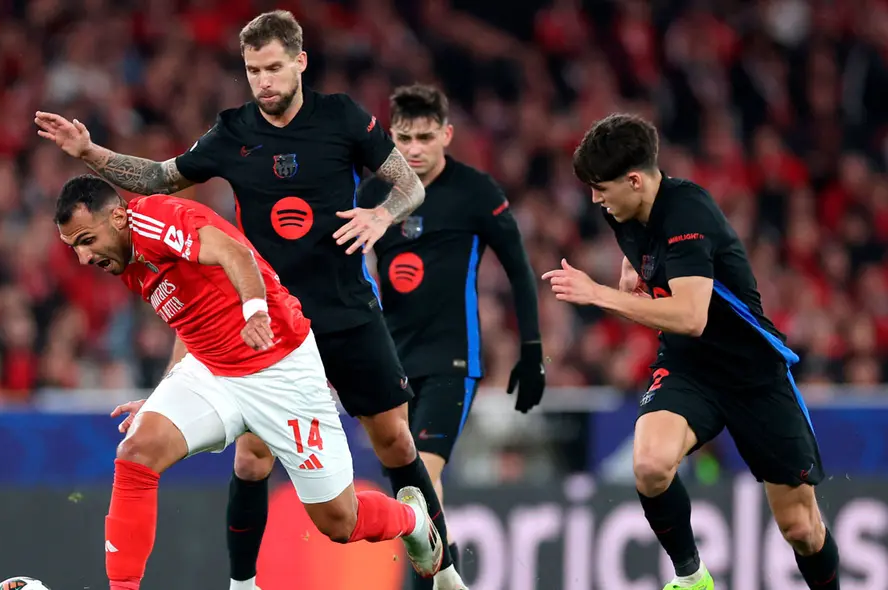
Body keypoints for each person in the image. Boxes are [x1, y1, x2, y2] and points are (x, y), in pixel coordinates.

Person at [35, 10, 466, 590]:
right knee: (170, 454)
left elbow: (407, 182)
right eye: (251, 70)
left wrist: (382, 214)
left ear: (299, 62)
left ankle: (432, 548)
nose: (262, 80)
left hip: (310, 328)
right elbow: (162, 179)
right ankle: (241, 584)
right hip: (236, 344)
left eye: (272, 67)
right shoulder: (230, 136)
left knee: (372, 470)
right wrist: (92, 153)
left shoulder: (339, 117)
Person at [54, 175, 444, 590]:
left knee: (340, 521)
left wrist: (255, 310)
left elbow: (235, 253)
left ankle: (412, 519)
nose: (82, 257)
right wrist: (163, 395)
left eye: (85, 240)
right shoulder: (123, 257)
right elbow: (190, 319)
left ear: (117, 217)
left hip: (281, 369)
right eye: (74, 246)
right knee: (136, 450)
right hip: (213, 370)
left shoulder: (153, 218)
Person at [543, 113, 839, 590]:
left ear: (634, 180)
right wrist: (630, 273)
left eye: (601, 187)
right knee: (650, 465)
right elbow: (645, 258)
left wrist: (599, 294)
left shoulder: (689, 214)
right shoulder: (621, 209)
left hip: (752, 373)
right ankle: (693, 578)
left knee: (801, 530)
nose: (594, 199)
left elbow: (691, 317)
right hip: (689, 367)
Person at [356, 83, 545, 585]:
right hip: (389, 363)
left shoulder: (476, 193)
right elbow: (346, 272)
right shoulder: (373, 194)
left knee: (425, 478)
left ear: (447, 135)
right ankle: (447, 576)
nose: (414, 149)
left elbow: (520, 271)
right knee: (405, 492)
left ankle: (441, 579)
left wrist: (531, 349)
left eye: (424, 137)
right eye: (403, 138)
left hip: (450, 360)